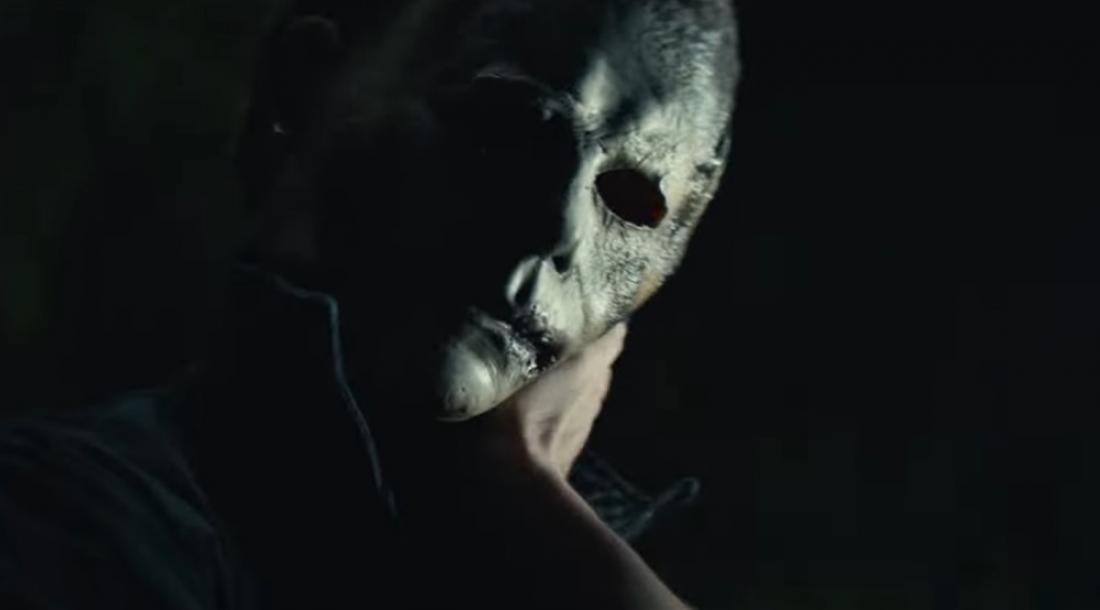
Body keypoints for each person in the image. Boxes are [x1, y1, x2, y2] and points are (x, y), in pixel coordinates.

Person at [1, 0, 738, 607]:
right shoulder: (64, 522)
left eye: (631, 200)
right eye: (508, 127)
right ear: (301, 88)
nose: (558, 229)